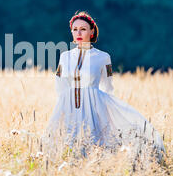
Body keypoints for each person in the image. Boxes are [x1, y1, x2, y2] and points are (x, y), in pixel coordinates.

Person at [42, 11, 165, 166]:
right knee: (66, 141)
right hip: (68, 104)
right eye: (75, 29)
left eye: (83, 29)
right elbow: (59, 82)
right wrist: (63, 104)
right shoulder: (65, 56)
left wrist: (104, 108)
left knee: (93, 142)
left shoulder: (103, 57)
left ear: (92, 31)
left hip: (94, 105)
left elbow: (108, 85)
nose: (78, 33)